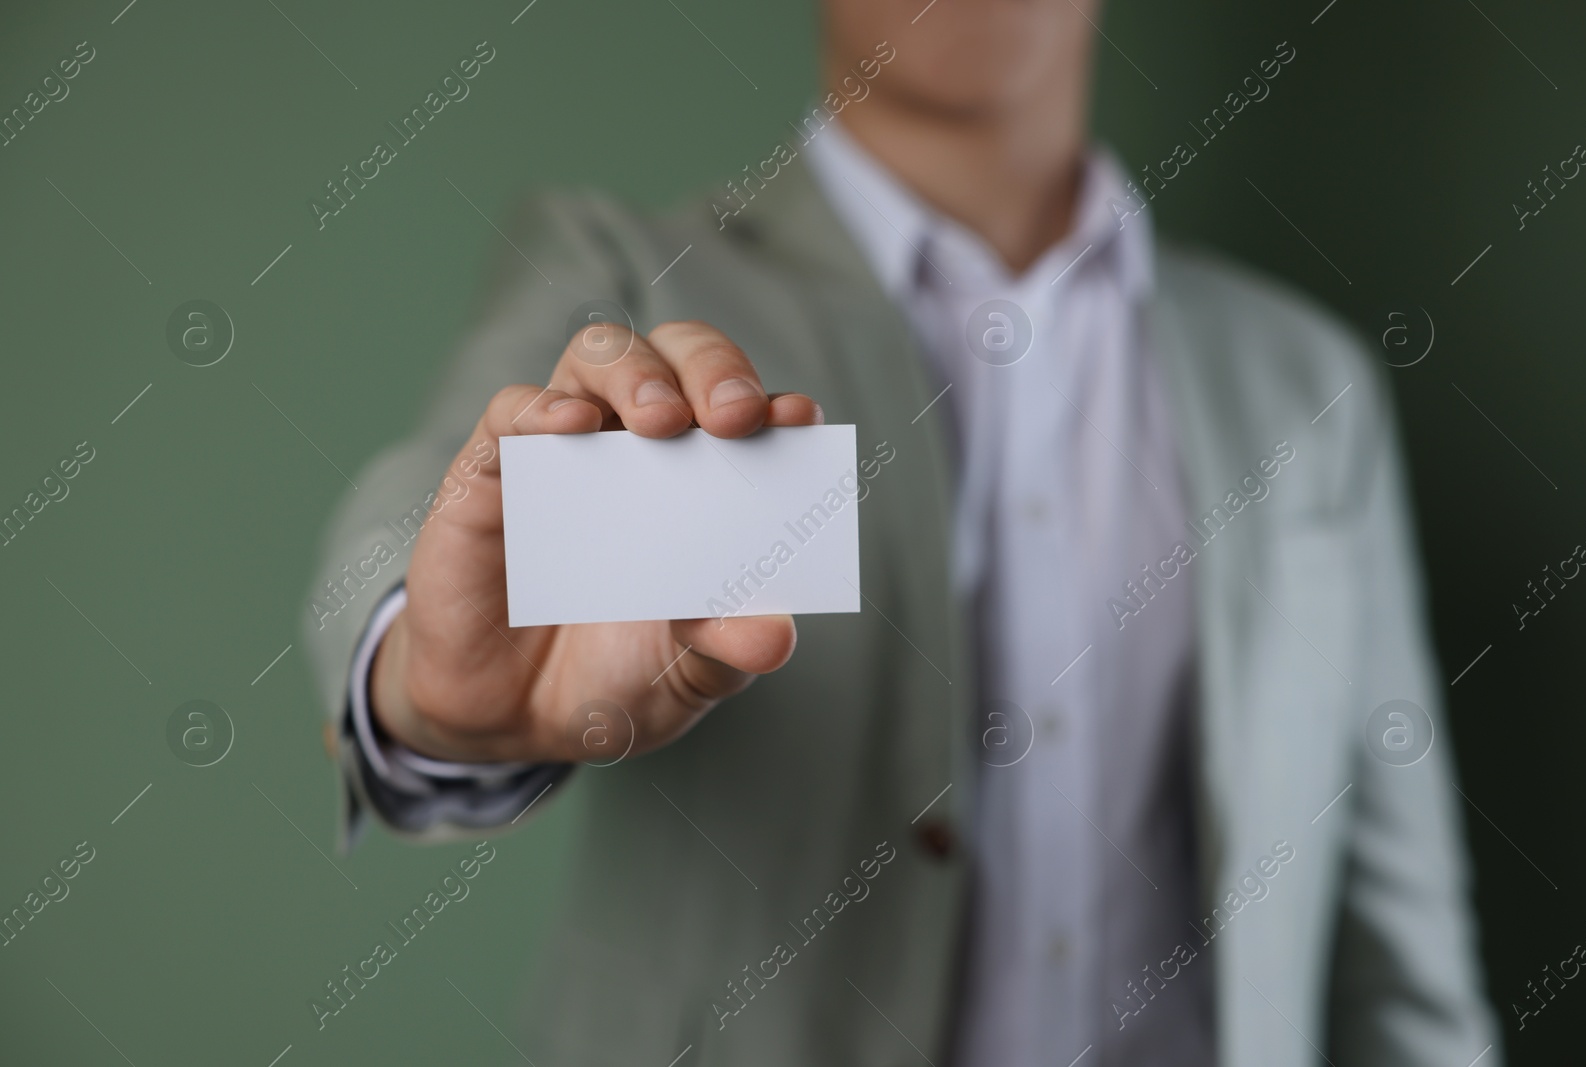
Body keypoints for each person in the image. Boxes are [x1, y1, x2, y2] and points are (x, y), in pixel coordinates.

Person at [305, 0, 1499, 1063]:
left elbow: (1400, 951)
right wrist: (422, 679)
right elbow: (426, 498)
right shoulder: (623, 270)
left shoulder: (1306, 383)